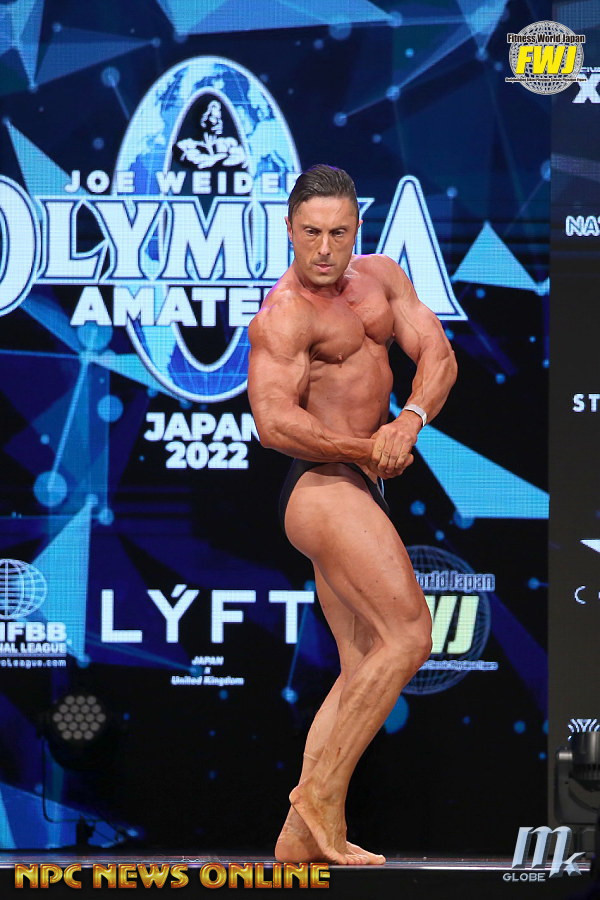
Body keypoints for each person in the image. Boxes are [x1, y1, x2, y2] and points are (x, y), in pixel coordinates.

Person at [247, 165, 457, 866]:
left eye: (339, 232)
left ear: (357, 228)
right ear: (289, 229)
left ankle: (298, 840)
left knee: (365, 661)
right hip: (321, 483)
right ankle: (320, 794)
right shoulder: (285, 314)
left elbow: (438, 354)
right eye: (311, 232)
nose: (325, 248)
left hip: (361, 484)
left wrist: (410, 420)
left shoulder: (382, 279)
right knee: (410, 634)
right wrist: (368, 446)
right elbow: (273, 422)